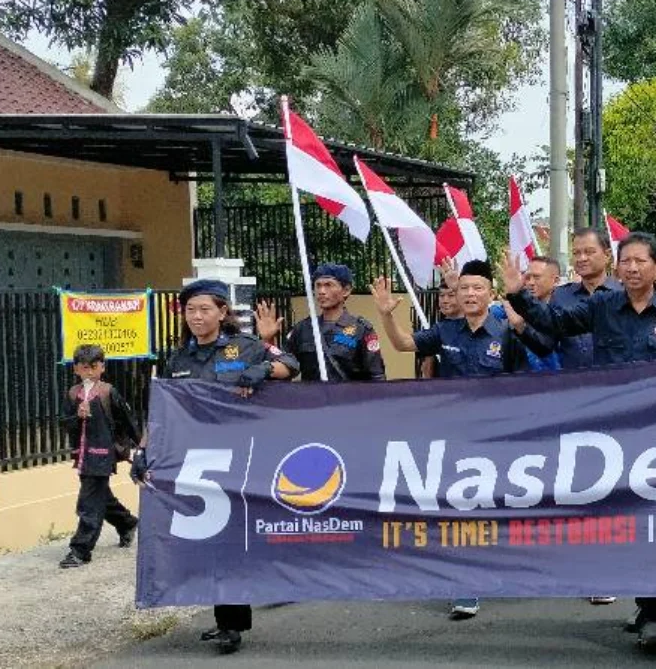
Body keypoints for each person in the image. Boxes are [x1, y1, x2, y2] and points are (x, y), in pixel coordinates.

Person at [504, 231, 656, 654]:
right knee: (621, 523)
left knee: (655, 525)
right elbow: (555, 324)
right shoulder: (601, 307)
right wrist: (518, 297)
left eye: (640, 261)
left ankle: (653, 611)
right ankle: (641, 597)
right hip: (611, 438)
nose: (632, 268)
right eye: (625, 261)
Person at [374, 259, 551, 620]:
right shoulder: (445, 331)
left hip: (497, 438)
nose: (470, 295)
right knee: (459, 508)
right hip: (454, 437)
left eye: (477, 288)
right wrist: (387, 315)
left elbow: (523, 387)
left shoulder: (507, 333)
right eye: (464, 289)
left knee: (497, 507)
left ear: (491, 294)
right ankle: (465, 586)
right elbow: (405, 343)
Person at [132, 279, 299, 654]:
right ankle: (227, 620)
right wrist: (143, 452)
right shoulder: (178, 360)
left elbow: (290, 364)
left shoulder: (245, 347)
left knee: (234, 539)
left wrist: (261, 372)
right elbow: (162, 412)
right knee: (212, 540)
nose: (197, 316)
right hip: (196, 462)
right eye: (191, 310)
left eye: (205, 309)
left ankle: (236, 619)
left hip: (243, 458)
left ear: (222, 312)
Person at [58, 344, 140, 569]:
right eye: (85, 368)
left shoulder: (107, 391)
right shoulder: (73, 394)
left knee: (88, 503)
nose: (90, 372)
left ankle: (80, 550)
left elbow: (128, 419)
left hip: (102, 454)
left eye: (94, 367)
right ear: (76, 369)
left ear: (102, 367)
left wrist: (140, 446)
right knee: (100, 496)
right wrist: (77, 415)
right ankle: (127, 523)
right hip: (83, 455)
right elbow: (65, 423)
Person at [255, 263, 385, 383]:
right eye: (318, 285)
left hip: (348, 404)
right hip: (313, 404)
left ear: (346, 290)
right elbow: (283, 368)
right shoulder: (303, 329)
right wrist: (268, 339)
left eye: (328, 285)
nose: (321, 291)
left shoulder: (361, 329)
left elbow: (377, 377)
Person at [550, 227, 623, 369]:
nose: (582, 258)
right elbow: (545, 343)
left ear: (607, 255)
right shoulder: (560, 296)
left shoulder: (624, 295)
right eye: (576, 253)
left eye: (589, 252)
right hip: (573, 385)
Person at [491, 255, 562, 372]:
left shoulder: (566, 316)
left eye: (537, 277)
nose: (531, 283)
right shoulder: (506, 311)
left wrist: (522, 328)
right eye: (527, 278)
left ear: (555, 281)